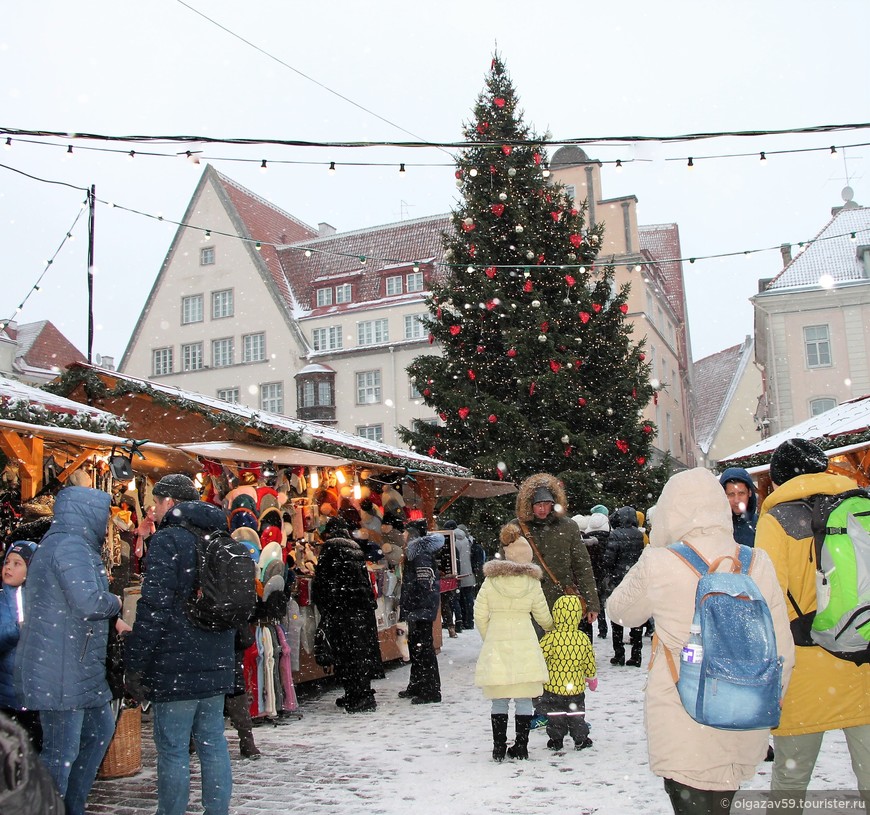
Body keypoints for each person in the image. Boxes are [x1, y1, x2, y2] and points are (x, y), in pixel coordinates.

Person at [607, 468, 794, 814]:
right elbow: (782, 645)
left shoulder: (661, 561)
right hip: (743, 711)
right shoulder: (756, 561)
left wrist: (656, 552)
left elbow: (620, 612)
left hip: (684, 715)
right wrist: (771, 696)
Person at [755, 438, 870, 807]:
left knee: (791, 777)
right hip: (861, 656)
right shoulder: (861, 507)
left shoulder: (776, 520)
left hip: (805, 668)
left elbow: (767, 597)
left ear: (778, 480)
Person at [124, 473, 234, 815]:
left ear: (170, 503)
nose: (152, 509)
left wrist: (136, 660)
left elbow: (154, 606)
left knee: (172, 748)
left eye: (156, 502)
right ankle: (217, 811)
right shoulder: (221, 536)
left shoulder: (169, 541)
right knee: (213, 743)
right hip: (216, 656)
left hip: (176, 662)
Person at [15, 486, 126, 815]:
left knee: (98, 732)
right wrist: (116, 602)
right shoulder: (70, 547)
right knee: (59, 754)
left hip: (76, 664)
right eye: (104, 514)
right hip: (61, 667)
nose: (106, 522)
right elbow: (87, 602)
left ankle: (70, 806)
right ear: (88, 513)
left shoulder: (70, 544)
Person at [474, 530, 553, 761]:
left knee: (499, 697)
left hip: (497, 641)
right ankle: (522, 746)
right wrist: (552, 627)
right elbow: (543, 615)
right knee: (524, 698)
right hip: (525, 641)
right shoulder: (532, 583)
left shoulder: (491, 581)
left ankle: (498, 748)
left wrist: (490, 636)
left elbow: (479, 614)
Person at [501, 473, 600, 622]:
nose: (542, 509)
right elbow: (504, 567)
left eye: (546, 503)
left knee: (561, 644)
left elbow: (582, 566)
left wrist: (591, 603)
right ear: (529, 504)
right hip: (527, 602)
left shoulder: (568, 526)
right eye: (538, 504)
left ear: (554, 503)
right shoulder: (515, 528)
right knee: (532, 644)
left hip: (561, 602)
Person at [311, 517, 381, 714]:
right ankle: (359, 693)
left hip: (342, 608)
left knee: (346, 654)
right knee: (358, 653)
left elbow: (321, 581)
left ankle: (359, 696)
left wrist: (324, 605)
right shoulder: (355, 547)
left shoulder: (330, 548)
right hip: (360, 609)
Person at [538, 594, 597, 751]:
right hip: (576, 686)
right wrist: (591, 677)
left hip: (554, 686)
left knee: (555, 714)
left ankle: (556, 739)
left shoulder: (550, 638)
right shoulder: (583, 638)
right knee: (576, 713)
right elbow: (588, 660)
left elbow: (541, 658)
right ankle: (580, 738)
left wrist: (538, 675)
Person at [397, 520, 444, 704]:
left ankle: (430, 690)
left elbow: (426, 583)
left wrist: (415, 605)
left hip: (420, 608)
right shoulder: (416, 553)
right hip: (418, 608)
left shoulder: (420, 554)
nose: (403, 535)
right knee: (417, 648)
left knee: (423, 649)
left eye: (406, 532)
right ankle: (417, 684)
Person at [0, 541, 40, 750]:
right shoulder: (1, 602)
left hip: (36, 696)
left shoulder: (40, 601)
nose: (8, 568)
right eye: (7, 562)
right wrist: (17, 629)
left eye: (17, 563)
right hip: (7, 697)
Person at [602, 506, 645, 667]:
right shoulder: (639, 535)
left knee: (616, 616)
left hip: (618, 581)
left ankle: (619, 653)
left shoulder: (615, 534)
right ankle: (636, 654)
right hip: (635, 581)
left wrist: (609, 572)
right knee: (636, 616)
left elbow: (608, 560)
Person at [446, 521, 476, 631]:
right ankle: (469, 622)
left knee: (455, 600)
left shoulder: (450, 539)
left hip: (456, 573)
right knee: (468, 600)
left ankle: (458, 622)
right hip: (468, 573)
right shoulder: (468, 539)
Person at [719, 467, 758, 548]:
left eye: (741, 493)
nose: (737, 500)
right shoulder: (716, 528)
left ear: (749, 493)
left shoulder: (761, 525)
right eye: (731, 494)